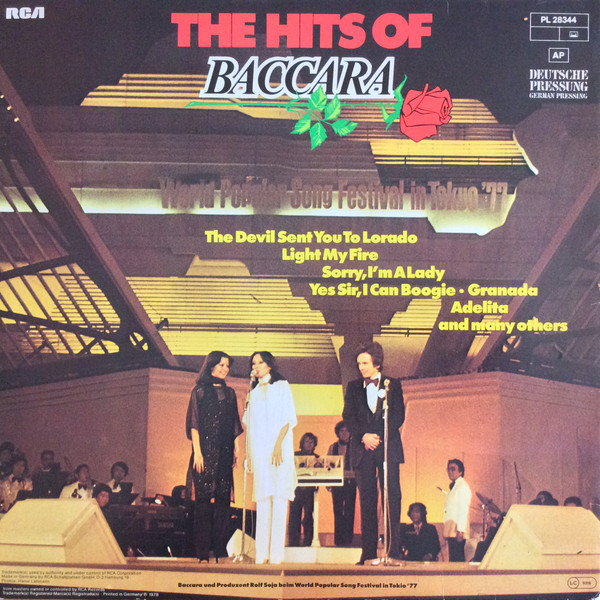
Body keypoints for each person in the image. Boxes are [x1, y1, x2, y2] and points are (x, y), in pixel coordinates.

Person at [342, 341, 405, 564]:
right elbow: (348, 416)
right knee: (367, 501)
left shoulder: (392, 385)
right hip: (363, 449)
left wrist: (378, 437)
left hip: (387, 447)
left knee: (392, 498)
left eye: (365, 363)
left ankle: (393, 551)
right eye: (359, 363)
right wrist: (363, 437)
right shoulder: (353, 387)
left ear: (377, 363)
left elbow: (398, 416)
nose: (361, 367)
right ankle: (368, 554)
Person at [186, 350, 242, 563]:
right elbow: (194, 424)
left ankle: (219, 550)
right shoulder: (199, 391)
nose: (225, 369)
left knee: (223, 503)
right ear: (211, 366)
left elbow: (234, 423)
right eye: (221, 365)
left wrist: (236, 449)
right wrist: (198, 452)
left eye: (227, 366)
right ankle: (202, 554)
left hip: (225, 452)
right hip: (204, 453)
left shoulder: (230, 393)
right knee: (202, 503)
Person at [243, 351, 297, 564]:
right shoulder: (254, 393)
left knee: (279, 499)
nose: (256, 366)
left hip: (279, 450)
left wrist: (277, 446)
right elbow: (250, 426)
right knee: (263, 500)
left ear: (269, 365)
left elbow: (287, 419)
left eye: (260, 362)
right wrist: (249, 455)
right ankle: (261, 554)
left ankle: (276, 555)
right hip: (260, 451)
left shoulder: (281, 386)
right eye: (253, 363)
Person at [327, 421, 357, 547]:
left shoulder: (355, 446)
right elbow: (327, 465)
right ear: (338, 433)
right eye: (341, 431)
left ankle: (348, 539)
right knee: (337, 510)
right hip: (337, 482)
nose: (344, 433)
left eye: (347, 431)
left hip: (351, 481)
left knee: (350, 510)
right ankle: (339, 540)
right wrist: (329, 483)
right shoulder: (333, 447)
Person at [288, 432, 319, 546]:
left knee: (309, 517)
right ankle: (293, 542)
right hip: (296, 490)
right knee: (294, 516)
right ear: (302, 443)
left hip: (310, 492)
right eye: (307, 441)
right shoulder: (294, 456)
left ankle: (308, 542)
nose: (309, 444)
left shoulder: (317, 458)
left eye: (312, 442)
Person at [443, 459, 472, 562]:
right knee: (453, 558)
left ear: (460, 472)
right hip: (452, 528)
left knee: (457, 558)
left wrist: (460, 530)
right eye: (448, 469)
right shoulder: (455, 486)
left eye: (453, 469)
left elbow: (463, 510)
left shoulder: (462, 487)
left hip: (457, 529)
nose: (450, 472)